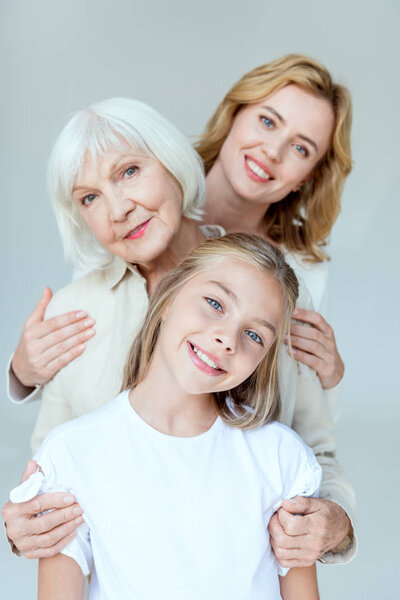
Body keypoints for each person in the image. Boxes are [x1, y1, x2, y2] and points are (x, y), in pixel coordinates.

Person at [3, 90, 355, 566]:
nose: (118, 209)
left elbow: (316, 453)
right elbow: (53, 477)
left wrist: (335, 521)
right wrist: (24, 523)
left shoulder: (269, 291)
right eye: (90, 197)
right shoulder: (74, 312)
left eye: (129, 172)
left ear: (172, 162)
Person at [10, 234, 322, 600]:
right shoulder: (72, 454)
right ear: (169, 297)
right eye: (214, 303)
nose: (227, 339)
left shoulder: (281, 458)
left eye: (253, 334)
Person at [197, 53, 352, 393]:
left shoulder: (304, 274)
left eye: (300, 148)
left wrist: (328, 379)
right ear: (234, 112)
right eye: (268, 122)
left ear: (307, 178)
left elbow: (306, 424)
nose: (272, 151)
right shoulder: (148, 203)